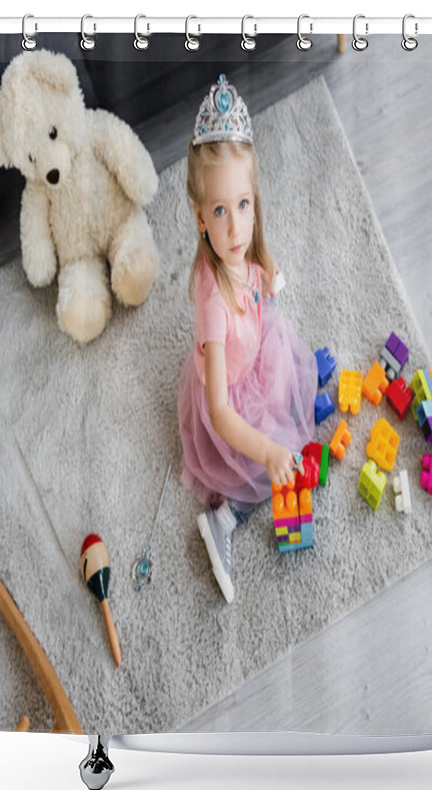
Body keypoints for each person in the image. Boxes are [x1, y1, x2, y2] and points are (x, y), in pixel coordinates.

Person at [177, 74, 318, 603]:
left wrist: (271, 272)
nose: (236, 229)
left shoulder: (245, 243)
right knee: (265, 468)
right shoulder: (212, 301)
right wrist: (265, 450)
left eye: (243, 205)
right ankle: (223, 520)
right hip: (229, 396)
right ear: (199, 217)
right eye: (219, 211)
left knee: (292, 387)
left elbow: (258, 256)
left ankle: (283, 421)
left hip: (258, 351)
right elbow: (218, 411)